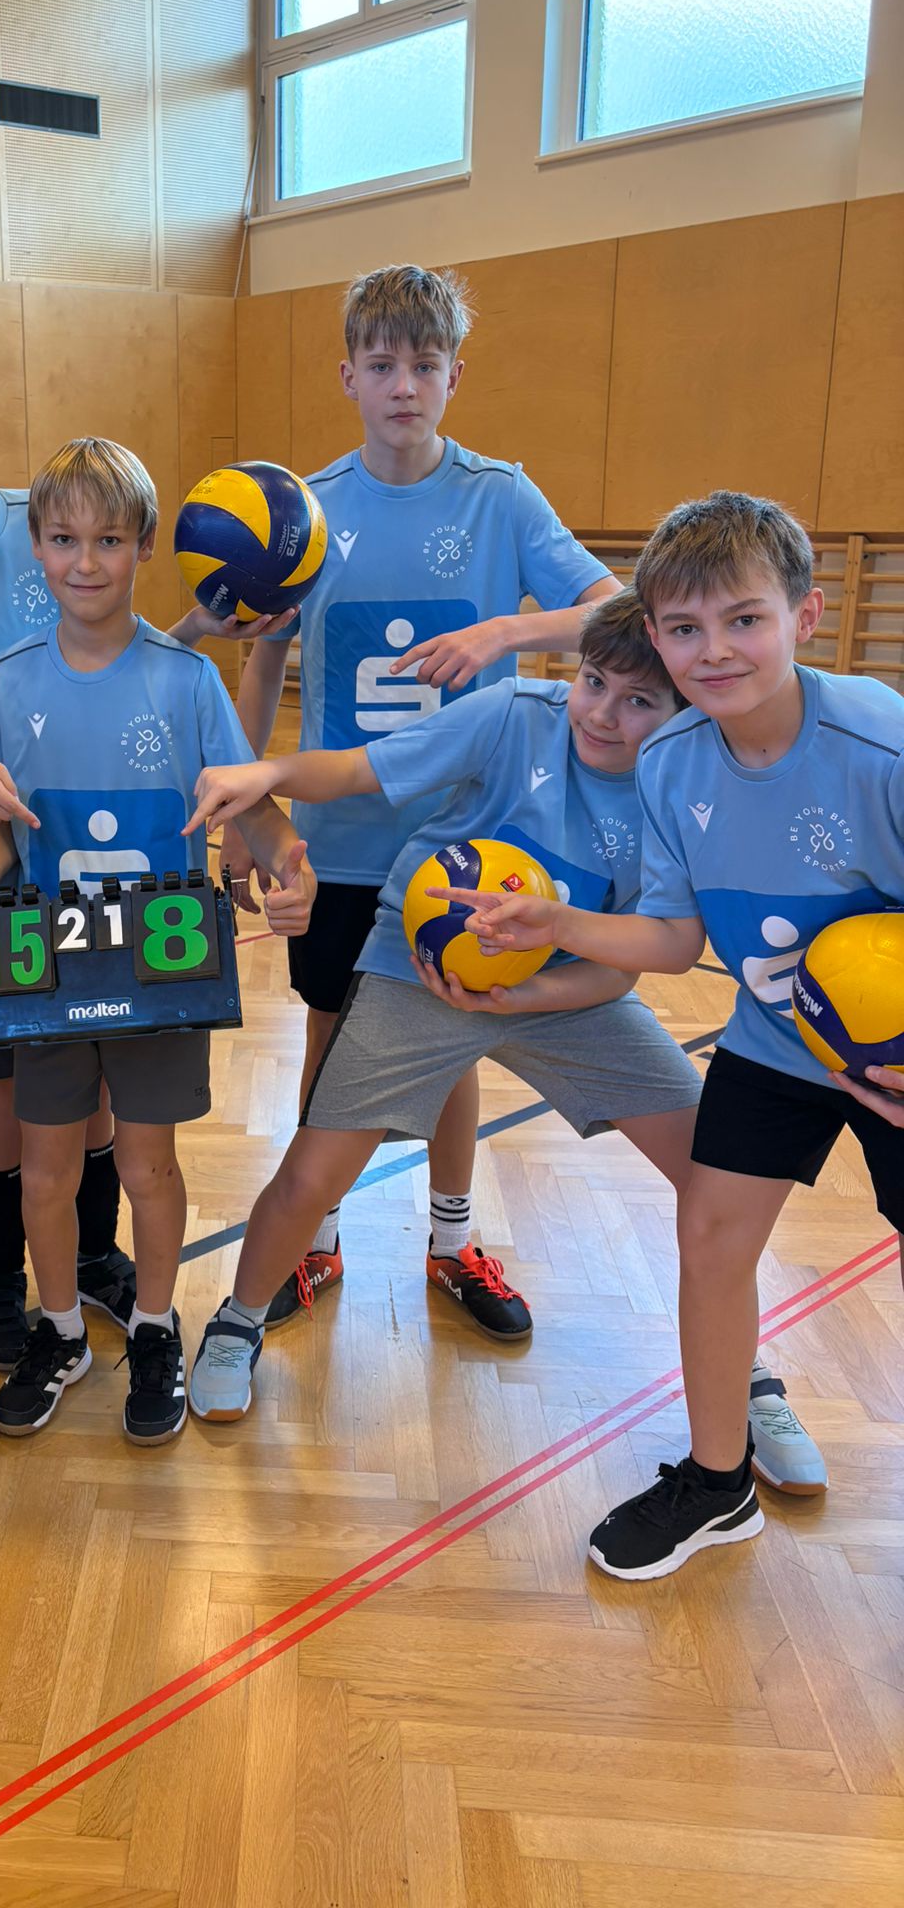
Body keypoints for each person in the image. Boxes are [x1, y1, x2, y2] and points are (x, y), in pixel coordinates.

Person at [445, 494, 899, 1578]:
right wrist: (558, 924)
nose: (715, 650)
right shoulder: (672, 758)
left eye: (745, 620)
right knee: (711, 1238)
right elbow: (674, 935)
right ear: (654, 632)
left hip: (892, 1056)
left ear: (805, 615)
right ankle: (717, 1481)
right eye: (686, 628)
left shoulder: (879, 744)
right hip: (776, 1042)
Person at [0, 324, 293, 1370]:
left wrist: (216, 638)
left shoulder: (38, 515)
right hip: (4, 869)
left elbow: (131, 665)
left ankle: (98, 1263)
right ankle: (6, 1277)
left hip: (124, 876)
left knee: (104, 1101)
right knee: (16, 1094)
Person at [183, 590, 726, 1428]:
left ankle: (743, 1375)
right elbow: (361, 769)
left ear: (685, 710)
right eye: (594, 683)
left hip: (564, 989)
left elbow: (621, 973)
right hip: (418, 969)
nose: (603, 714)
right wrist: (273, 774)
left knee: (719, 1174)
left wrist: (523, 995)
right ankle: (236, 1322)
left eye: (640, 701)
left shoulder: (679, 790)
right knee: (312, 1175)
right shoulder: (514, 715)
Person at [225, 264, 619, 1335]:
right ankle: (315, 1240)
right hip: (343, 843)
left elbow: (619, 611)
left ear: (454, 376)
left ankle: (452, 1240)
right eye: (384, 364)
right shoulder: (306, 513)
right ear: (348, 376)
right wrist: (246, 813)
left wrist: (506, 631)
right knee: (328, 1034)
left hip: (470, 849)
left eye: (426, 364)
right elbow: (263, 662)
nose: (405, 385)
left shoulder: (502, 497)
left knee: (455, 1037)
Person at [0, 438, 315, 1443]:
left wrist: (288, 862)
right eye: (65, 539)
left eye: (109, 540)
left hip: (161, 966)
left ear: (147, 547)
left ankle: (155, 1326)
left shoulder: (186, 681)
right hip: (46, 968)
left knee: (149, 1166)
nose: (86, 561)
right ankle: (60, 1328)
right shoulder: (6, 683)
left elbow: (248, 805)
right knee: (47, 1170)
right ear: (36, 544)